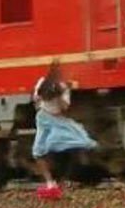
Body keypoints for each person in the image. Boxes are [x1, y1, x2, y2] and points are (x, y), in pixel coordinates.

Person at [31, 60, 97, 196]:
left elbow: (61, 106)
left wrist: (57, 95)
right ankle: (52, 183)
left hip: (53, 119)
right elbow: (38, 100)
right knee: (40, 151)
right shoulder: (45, 83)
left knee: (51, 148)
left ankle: (56, 182)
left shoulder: (60, 87)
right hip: (47, 118)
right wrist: (48, 96)